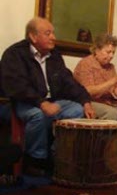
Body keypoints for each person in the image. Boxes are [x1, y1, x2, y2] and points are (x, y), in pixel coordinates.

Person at [1, 17, 94, 175]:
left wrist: (85, 101)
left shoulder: (55, 56)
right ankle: (36, 161)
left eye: (53, 33)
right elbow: (17, 86)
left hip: (52, 101)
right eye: (48, 33)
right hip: (26, 103)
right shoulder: (14, 54)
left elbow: (68, 81)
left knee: (76, 110)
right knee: (38, 116)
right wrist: (41, 103)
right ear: (33, 36)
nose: (53, 37)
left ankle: (55, 154)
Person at [74, 33, 117, 120]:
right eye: (108, 52)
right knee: (112, 113)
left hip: (107, 103)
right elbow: (88, 91)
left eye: (113, 52)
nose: (111, 56)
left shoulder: (110, 67)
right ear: (97, 50)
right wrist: (113, 80)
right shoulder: (86, 64)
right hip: (88, 102)